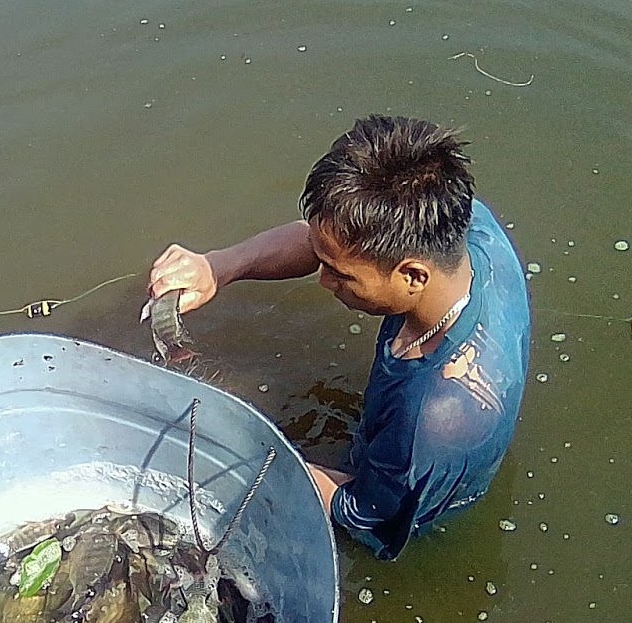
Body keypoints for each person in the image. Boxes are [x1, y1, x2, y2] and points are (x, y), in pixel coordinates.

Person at [145, 114, 530, 559]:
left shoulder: (430, 425)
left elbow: (362, 510)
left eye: (340, 275)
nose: (323, 282)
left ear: (411, 277)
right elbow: (327, 241)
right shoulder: (464, 227)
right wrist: (219, 266)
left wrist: (241, 460)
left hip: (409, 489)